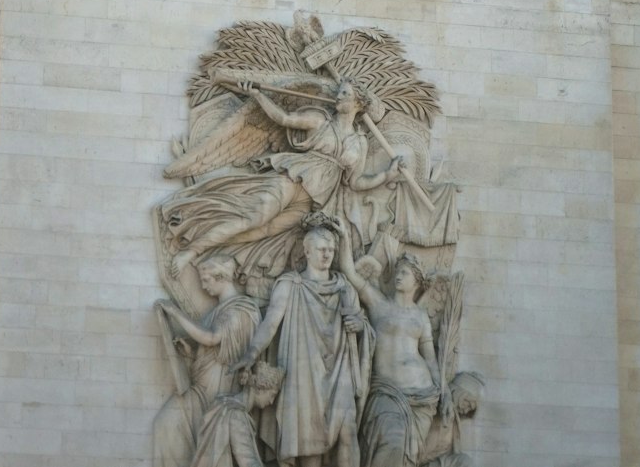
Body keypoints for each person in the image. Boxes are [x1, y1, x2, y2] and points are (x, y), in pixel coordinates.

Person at [165, 80, 406, 274]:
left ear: (358, 102)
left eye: (344, 93)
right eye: (339, 93)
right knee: (254, 218)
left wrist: (387, 175)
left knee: (263, 231)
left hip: (313, 201)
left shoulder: (359, 142)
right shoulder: (320, 120)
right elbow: (284, 119)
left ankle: (207, 248)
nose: (338, 97)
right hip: (294, 178)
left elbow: (355, 182)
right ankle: (192, 251)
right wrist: (259, 96)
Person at [237, 218, 371, 467]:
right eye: (321, 249)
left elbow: (359, 325)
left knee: (348, 429)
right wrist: (251, 354)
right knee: (310, 445)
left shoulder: (344, 287)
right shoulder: (290, 285)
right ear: (307, 251)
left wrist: (361, 326)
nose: (327, 255)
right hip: (305, 369)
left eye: (331, 250)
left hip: (340, 366)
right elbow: (270, 324)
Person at [335, 227, 442, 467]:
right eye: (397, 272)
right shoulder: (378, 303)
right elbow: (350, 272)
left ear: (417, 280)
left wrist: (442, 391)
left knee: (406, 458)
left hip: (423, 398)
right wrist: (343, 238)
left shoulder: (421, 317)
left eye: (404, 273)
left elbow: (431, 359)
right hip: (386, 392)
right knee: (391, 443)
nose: (398, 276)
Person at [153, 257, 261, 467]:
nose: (203, 286)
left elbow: (212, 339)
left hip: (219, 390)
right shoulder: (217, 312)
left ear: (221, 278)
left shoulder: (240, 309)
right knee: (165, 424)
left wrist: (175, 312)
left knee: (168, 423)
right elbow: (211, 350)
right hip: (202, 386)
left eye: (206, 280)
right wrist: (191, 355)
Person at [187, 363, 284, 467]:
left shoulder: (223, 403)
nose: (271, 401)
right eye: (272, 395)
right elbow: (247, 461)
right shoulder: (237, 415)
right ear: (260, 389)